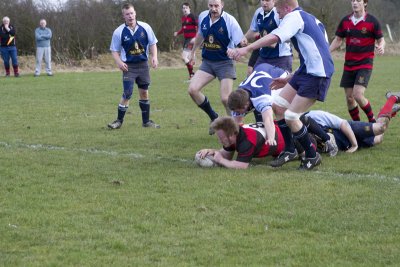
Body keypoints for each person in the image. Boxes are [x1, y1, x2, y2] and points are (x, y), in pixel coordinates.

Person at [228, 0, 334, 170]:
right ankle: (290, 150)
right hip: (305, 71)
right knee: (278, 107)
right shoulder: (311, 19)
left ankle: (312, 155)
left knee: (292, 116)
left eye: (278, 10)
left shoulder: (294, 16)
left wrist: (246, 49)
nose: (277, 14)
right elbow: (317, 51)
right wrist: (290, 77)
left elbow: (274, 37)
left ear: (286, 8)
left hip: (317, 75)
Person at [228, 63, 338, 157]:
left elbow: (268, 120)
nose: (238, 114)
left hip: (279, 79)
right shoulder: (239, 96)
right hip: (265, 72)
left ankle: (327, 138)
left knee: (291, 116)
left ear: (246, 104)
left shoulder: (261, 98)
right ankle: (293, 148)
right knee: (279, 117)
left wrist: (271, 138)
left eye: (239, 111)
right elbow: (236, 124)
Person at [188, 0, 245, 135]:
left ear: (222, 5)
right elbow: (200, 35)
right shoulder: (203, 16)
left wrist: (237, 50)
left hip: (225, 62)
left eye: (216, 6)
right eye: (211, 6)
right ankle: (214, 117)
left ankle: (235, 128)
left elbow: (241, 42)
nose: (213, 9)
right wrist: (193, 52)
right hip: (208, 62)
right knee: (192, 89)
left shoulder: (230, 21)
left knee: (226, 99)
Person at [330, 0, 385, 123]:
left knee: (358, 95)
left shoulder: (372, 21)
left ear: (365, 3)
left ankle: (372, 121)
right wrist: (327, 53)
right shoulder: (345, 21)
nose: (354, 3)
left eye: (358, 0)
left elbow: (381, 39)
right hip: (349, 65)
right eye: (353, 0)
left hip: (364, 64)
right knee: (350, 98)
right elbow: (338, 39)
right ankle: (358, 125)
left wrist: (381, 46)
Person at [107, 3, 160, 130]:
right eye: (127, 14)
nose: (130, 16)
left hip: (143, 65)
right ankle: (118, 121)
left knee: (144, 93)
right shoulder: (119, 32)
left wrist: (154, 57)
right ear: (123, 16)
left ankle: (146, 122)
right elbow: (114, 50)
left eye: (131, 13)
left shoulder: (145, 27)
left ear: (135, 13)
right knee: (127, 93)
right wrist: (119, 62)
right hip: (128, 67)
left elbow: (153, 43)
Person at [303, 92, 400, 152]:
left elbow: (343, 124)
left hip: (350, 129)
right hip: (345, 144)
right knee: (379, 139)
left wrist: (354, 145)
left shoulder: (313, 116)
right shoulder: (294, 130)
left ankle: (393, 98)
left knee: (381, 128)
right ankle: (388, 112)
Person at [197, 116, 285, 169]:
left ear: (231, 135)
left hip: (289, 140)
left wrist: (221, 160)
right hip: (279, 128)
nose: (219, 141)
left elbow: (241, 166)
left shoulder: (248, 141)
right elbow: (227, 154)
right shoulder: (234, 133)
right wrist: (212, 151)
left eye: (221, 138)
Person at [244, 0, 292, 72]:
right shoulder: (258, 12)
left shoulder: (278, 13)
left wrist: (255, 43)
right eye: (262, 0)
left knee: (280, 82)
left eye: (267, 0)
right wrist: (243, 38)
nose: (264, 3)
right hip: (263, 56)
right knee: (256, 80)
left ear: (274, 1)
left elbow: (274, 42)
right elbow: (252, 30)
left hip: (281, 58)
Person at [173, 2, 198, 80]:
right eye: (183, 8)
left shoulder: (193, 16)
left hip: (192, 40)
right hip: (186, 40)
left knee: (184, 56)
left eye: (186, 8)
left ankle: (192, 74)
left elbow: (199, 26)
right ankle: (192, 75)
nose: (184, 9)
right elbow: (184, 28)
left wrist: (196, 37)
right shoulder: (183, 18)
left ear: (189, 8)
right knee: (189, 58)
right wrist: (178, 33)